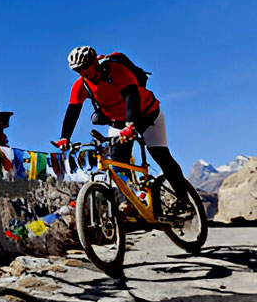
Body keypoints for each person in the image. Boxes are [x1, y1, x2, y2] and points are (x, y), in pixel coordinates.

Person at [54, 46, 191, 217]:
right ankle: (132, 202)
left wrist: (131, 125)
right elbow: (73, 111)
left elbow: (131, 96)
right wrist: (64, 137)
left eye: (84, 67)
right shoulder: (80, 86)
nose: (82, 72)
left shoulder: (116, 70)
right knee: (118, 162)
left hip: (147, 114)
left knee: (160, 155)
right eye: (77, 70)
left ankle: (184, 201)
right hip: (119, 123)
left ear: (94, 62)